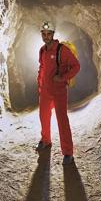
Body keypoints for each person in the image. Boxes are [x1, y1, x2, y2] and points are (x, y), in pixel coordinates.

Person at [36, 21, 80, 165]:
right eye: (44, 34)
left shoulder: (62, 50)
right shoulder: (42, 50)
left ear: (53, 34)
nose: (46, 36)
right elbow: (42, 68)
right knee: (44, 116)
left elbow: (76, 66)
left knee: (62, 120)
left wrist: (62, 78)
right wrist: (40, 85)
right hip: (45, 91)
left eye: (48, 34)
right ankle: (46, 140)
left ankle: (68, 153)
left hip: (59, 91)